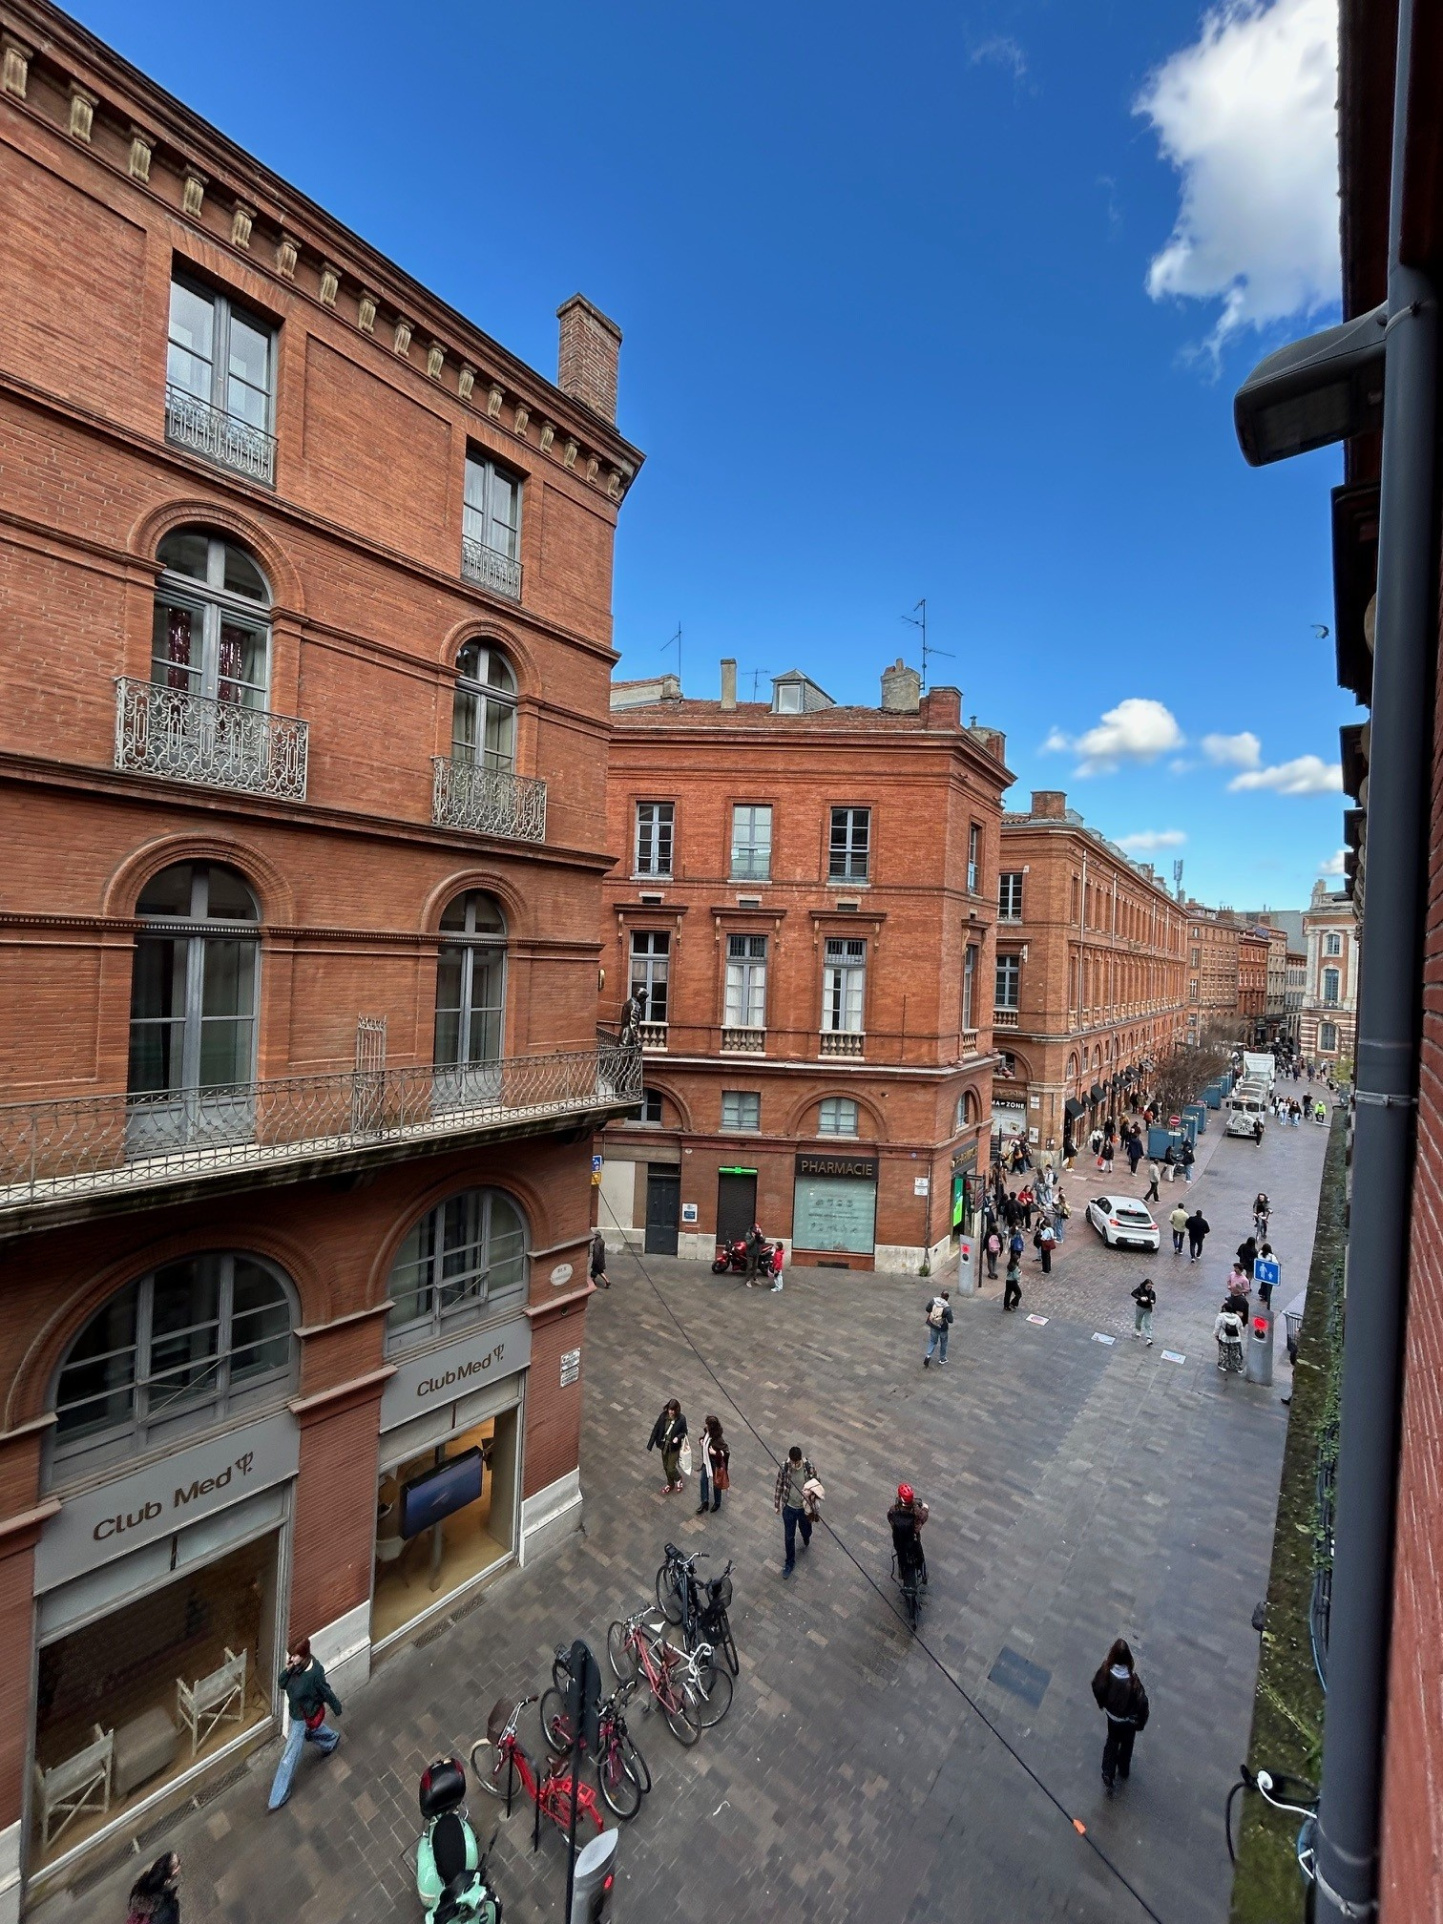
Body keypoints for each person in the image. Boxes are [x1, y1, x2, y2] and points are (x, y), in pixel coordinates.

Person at [268, 1639, 342, 1811]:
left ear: (303, 1655)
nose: (291, 1658)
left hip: (303, 1717)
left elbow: (326, 1691)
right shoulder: (295, 1668)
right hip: (296, 1713)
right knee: (311, 1732)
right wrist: (287, 1670)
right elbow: (281, 1684)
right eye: (291, 1655)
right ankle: (331, 1740)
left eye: (294, 1656)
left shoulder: (315, 1673)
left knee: (289, 1757)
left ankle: (278, 1796)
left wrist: (336, 1707)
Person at [1092, 1639, 1149, 1791]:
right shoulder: (1133, 1681)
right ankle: (1123, 1770)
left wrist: (1102, 1703)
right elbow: (1142, 1703)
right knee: (1127, 1745)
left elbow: (1096, 1687)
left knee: (1111, 1741)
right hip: (1127, 1722)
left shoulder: (1105, 1672)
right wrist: (1140, 1722)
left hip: (1112, 1718)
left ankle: (1107, 1772)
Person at [774, 1444, 816, 1578]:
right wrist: (777, 1504)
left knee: (806, 1529)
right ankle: (789, 1563)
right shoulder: (785, 1467)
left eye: (796, 1463)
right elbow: (779, 1485)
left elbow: (816, 1484)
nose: (794, 1465)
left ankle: (806, 1536)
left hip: (804, 1508)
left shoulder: (808, 1467)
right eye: (792, 1462)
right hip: (789, 1508)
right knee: (789, 1537)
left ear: (800, 1460)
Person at [887, 1483, 930, 1588]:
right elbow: (923, 1517)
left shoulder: (893, 1510)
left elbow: (890, 1519)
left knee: (901, 1555)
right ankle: (922, 1574)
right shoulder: (917, 1512)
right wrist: (925, 1508)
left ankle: (902, 1572)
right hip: (912, 1541)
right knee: (919, 1554)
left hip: (899, 1540)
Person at [126, 1853, 181, 1924]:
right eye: (178, 1863)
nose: (180, 1866)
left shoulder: (142, 1887)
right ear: (173, 1872)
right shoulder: (168, 1904)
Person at [647, 1397, 688, 1494]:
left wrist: (678, 1437)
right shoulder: (663, 1416)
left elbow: (684, 1432)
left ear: (676, 1410)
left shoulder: (681, 1419)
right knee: (665, 1466)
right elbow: (656, 1429)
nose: (671, 1412)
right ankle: (670, 1484)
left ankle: (678, 1478)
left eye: (673, 1410)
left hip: (674, 1448)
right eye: (670, 1409)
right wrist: (650, 1444)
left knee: (671, 1468)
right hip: (664, 1446)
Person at [697, 1413, 729, 1515]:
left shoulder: (718, 1439)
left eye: (707, 1424)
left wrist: (715, 1453)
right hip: (706, 1462)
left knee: (716, 1484)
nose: (705, 1426)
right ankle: (704, 1502)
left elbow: (726, 1451)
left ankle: (717, 1502)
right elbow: (705, 1439)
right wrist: (701, 1441)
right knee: (703, 1480)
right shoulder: (707, 1433)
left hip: (715, 1464)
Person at [923, 1288, 953, 1367]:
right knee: (944, 1342)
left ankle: (928, 1355)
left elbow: (927, 1309)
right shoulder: (947, 1308)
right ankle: (942, 1359)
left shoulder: (933, 1300)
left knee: (933, 1341)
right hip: (943, 1327)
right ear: (947, 1298)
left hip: (933, 1324)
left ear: (941, 1295)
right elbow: (950, 1320)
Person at [1215, 1303, 1245, 1373]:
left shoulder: (1221, 1316)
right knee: (1235, 1352)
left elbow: (1217, 1328)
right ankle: (1237, 1366)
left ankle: (1222, 1365)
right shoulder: (1236, 1317)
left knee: (1224, 1351)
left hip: (1224, 1337)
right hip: (1235, 1338)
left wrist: (1216, 1335)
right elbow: (1241, 1327)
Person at [1130, 1276, 1156, 1346]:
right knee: (1138, 1320)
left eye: (1150, 1287)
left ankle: (1148, 1338)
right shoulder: (1140, 1289)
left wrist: (1152, 1301)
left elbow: (1154, 1300)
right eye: (1148, 1286)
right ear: (1145, 1285)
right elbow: (1133, 1293)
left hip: (1148, 1308)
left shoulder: (1152, 1293)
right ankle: (1138, 1330)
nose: (1149, 1288)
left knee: (1147, 1323)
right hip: (1140, 1307)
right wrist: (1140, 1298)